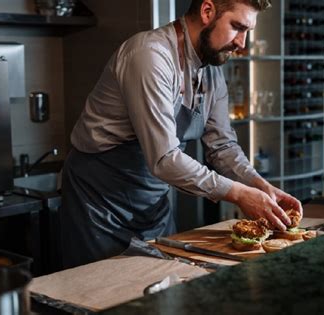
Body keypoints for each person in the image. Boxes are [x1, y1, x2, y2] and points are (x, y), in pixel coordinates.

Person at [60, 0, 302, 268]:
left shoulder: (211, 71)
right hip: (100, 204)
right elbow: (164, 159)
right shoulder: (149, 56)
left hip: (153, 205)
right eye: (237, 27)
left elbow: (222, 146)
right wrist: (239, 194)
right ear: (207, 11)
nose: (242, 43)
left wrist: (259, 185)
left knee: (162, 292)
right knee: (100, 299)